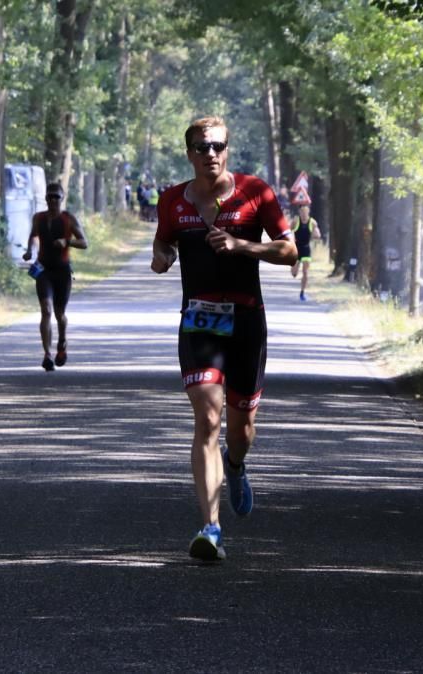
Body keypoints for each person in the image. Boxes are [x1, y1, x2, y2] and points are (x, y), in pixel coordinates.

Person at [151, 116, 297, 561]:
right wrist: (163, 257)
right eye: (201, 146)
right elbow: (162, 245)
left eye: (217, 145)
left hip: (247, 321)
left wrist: (243, 246)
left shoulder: (256, 192)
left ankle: (235, 466)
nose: (210, 153)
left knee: (241, 428)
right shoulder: (172, 201)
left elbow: (289, 250)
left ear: (228, 149)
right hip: (199, 321)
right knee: (207, 419)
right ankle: (210, 527)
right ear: (189, 153)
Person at [23, 182, 88, 371]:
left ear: (62, 198)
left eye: (56, 197)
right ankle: (47, 355)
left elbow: (84, 242)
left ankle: (62, 341)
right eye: (50, 197)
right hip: (43, 271)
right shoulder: (39, 218)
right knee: (46, 310)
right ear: (45, 198)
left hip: (62, 272)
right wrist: (30, 251)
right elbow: (33, 236)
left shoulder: (69, 219)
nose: (53, 200)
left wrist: (67, 241)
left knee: (60, 315)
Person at [289, 204, 321, 301]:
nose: (304, 213)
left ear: (308, 211)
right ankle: (295, 269)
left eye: (305, 211)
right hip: (296, 248)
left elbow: (317, 233)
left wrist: (316, 234)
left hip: (306, 249)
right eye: (302, 211)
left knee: (305, 272)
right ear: (299, 212)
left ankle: (302, 293)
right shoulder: (296, 221)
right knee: (294, 273)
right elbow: (288, 231)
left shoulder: (312, 222)